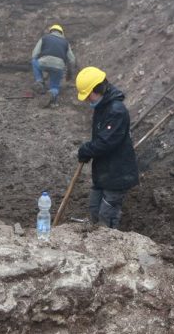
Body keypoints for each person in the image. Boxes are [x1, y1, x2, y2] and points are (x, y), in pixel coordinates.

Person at [75, 67, 139, 229]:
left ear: (99, 89)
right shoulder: (102, 107)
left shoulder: (116, 111)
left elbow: (106, 142)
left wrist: (87, 150)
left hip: (117, 173)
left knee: (106, 216)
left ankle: (108, 244)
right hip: (104, 170)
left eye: (88, 95)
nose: (87, 100)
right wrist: (90, 151)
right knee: (95, 209)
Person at [31, 24, 76, 107]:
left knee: (34, 60)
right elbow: (72, 59)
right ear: (61, 33)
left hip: (44, 63)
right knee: (55, 86)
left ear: (51, 31)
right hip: (59, 67)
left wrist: (42, 61)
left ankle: (39, 81)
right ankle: (52, 94)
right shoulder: (65, 42)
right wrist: (69, 71)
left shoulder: (45, 38)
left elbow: (34, 54)